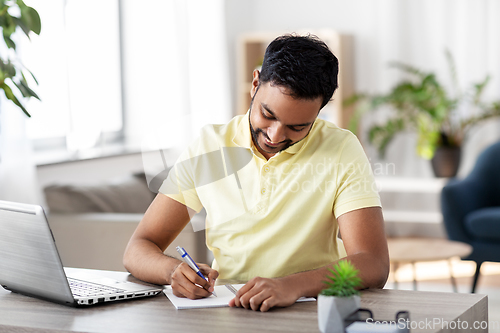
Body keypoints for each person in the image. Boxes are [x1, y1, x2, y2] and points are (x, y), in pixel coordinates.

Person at [123, 34, 389, 312]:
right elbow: (138, 248)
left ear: (319, 113)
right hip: (226, 311)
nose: (275, 135)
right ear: (254, 84)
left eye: (297, 127)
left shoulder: (341, 149)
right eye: (268, 114)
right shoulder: (209, 146)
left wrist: (293, 285)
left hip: (308, 309)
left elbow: (373, 262)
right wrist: (173, 271)